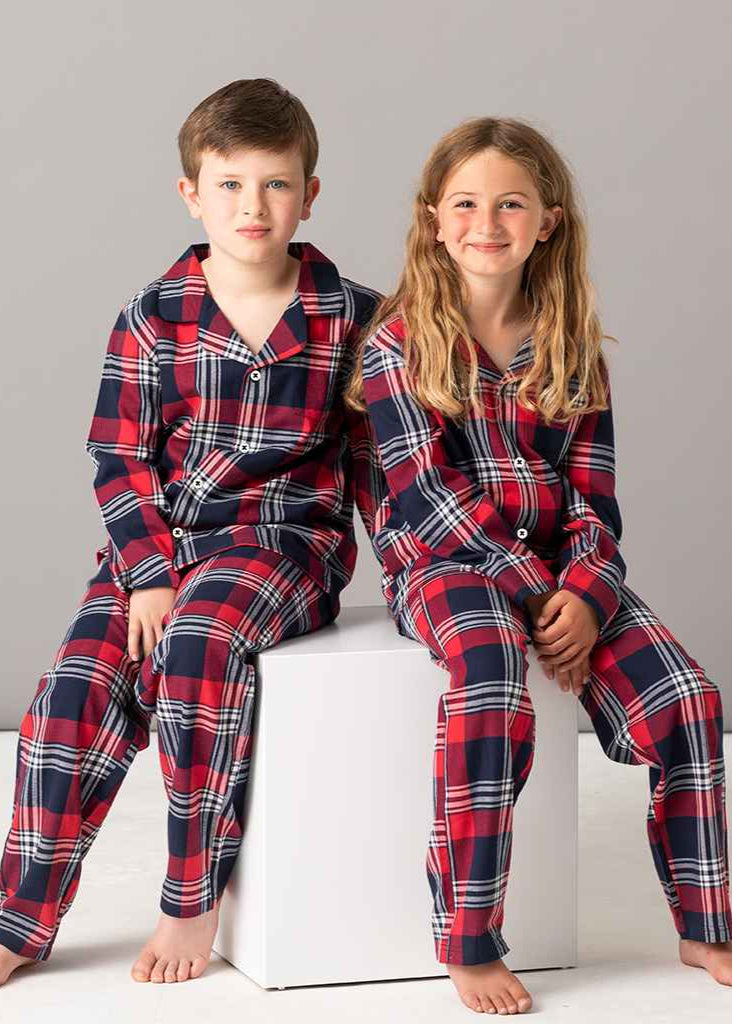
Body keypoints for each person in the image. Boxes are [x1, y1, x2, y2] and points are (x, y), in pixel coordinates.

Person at [345, 116, 732, 1015]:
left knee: (688, 698)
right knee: (489, 680)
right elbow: (426, 500)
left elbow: (597, 499)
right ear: (433, 220)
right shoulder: (401, 345)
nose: (488, 223)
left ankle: (703, 918)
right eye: (468, 205)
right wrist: (536, 591)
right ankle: (469, 937)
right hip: (443, 564)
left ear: (547, 222)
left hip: (564, 573)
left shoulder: (570, 346)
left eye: (510, 204)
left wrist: (587, 592)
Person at [0, 77, 381, 987]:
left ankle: (191, 896)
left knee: (201, 647)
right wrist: (144, 575)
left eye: (276, 184)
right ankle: (21, 914)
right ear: (191, 193)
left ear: (309, 194)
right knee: (72, 691)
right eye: (230, 184)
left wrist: (422, 580)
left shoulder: (355, 317)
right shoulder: (153, 316)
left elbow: (383, 468)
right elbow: (119, 456)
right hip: (166, 549)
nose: (253, 207)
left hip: (287, 544)